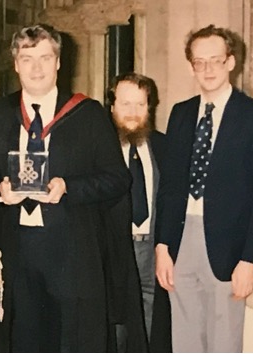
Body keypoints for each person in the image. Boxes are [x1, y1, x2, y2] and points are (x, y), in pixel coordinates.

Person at [0, 23, 131, 352]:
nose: (36, 68)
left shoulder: (88, 115)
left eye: (45, 58)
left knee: (72, 342)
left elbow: (118, 178)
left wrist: (68, 187)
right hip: (17, 252)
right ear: (15, 63)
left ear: (59, 62)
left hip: (72, 252)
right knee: (23, 342)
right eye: (27, 58)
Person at [155, 24, 253, 352]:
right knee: (184, 340)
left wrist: (250, 259)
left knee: (224, 342)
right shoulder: (180, 115)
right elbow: (169, 188)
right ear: (191, 66)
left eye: (215, 60)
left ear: (230, 62)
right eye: (200, 62)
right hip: (181, 242)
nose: (208, 69)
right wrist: (162, 246)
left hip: (229, 247)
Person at [105, 72, 166, 352]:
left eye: (140, 105)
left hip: (152, 250)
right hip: (113, 248)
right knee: (116, 325)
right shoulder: (100, 149)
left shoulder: (164, 147)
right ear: (112, 105)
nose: (132, 112)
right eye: (126, 104)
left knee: (151, 323)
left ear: (149, 107)